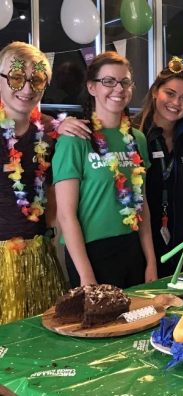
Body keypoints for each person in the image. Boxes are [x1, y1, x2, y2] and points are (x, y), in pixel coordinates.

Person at [52, 51, 157, 288]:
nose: (118, 89)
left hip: (132, 248)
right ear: (91, 87)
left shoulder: (136, 138)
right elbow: (66, 216)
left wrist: (150, 260)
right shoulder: (75, 139)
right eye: (108, 81)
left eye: (125, 82)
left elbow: (143, 205)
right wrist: (86, 275)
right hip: (91, 253)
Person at [0, 41, 66, 324]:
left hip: (41, 258)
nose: (27, 89)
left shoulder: (51, 133)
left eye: (37, 79)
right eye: (16, 78)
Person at [132, 57, 183, 277]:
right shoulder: (133, 135)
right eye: (170, 93)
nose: (176, 103)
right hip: (142, 252)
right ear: (156, 91)